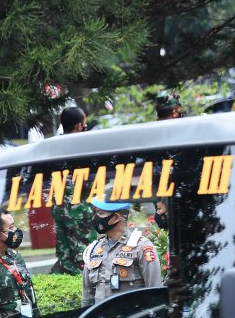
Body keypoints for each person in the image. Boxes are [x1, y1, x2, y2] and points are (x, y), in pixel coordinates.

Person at [81, 200, 162, 307]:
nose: (95, 218)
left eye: (100, 213)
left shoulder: (141, 247)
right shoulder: (93, 249)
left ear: (116, 217)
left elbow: (155, 292)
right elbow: (87, 295)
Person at [50, 107, 97, 275]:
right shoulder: (83, 147)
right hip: (78, 209)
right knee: (84, 256)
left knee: (65, 254)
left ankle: (65, 286)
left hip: (58, 206)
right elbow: (91, 180)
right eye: (84, 124)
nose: (86, 127)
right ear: (78, 126)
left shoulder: (54, 146)